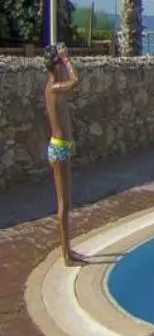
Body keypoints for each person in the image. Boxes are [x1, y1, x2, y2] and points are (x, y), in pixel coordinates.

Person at [42, 44, 83, 266]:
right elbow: (76, 80)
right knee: (63, 204)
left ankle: (68, 250)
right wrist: (68, 59)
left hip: (61, 147)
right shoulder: (55, 87)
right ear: (57, 65)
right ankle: (66, 254)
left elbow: (70, 80)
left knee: (65, 203)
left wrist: (62, 61)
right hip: (59, 148)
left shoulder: (52, 86)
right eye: (61, 62)